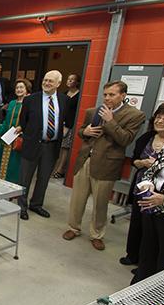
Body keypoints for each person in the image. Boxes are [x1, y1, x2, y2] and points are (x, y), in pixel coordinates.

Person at [62, 80, 146, 250]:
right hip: (85, 160)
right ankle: (73, 227)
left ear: (123, 96)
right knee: (77, 199)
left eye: (112, 95)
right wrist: (84, 132)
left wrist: (109, 121)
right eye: (105, 94)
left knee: (100, 203)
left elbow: (125, 139)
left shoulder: (135, 115)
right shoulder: (93, 111)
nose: (107, 98)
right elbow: (82, 131)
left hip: (107, 165)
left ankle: (97, 234)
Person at [121, 101, 164, 269]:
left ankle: (148, 264)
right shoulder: (146, 138)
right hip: (142, 185)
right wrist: (142, 162)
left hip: (163, 194)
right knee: (138, 221)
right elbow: (134, 160)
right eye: (158, 117)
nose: (161, 121)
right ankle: (133, 255)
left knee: (157, 230)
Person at [17, 70, 69, 220]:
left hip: (51, 147)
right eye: (45, 80)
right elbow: (23, 122)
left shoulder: (64, 100)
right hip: (32, 144)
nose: (46, 83)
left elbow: (66, 121)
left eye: (50, 81)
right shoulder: (30, 100)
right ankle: (22, 206)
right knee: (25, 178)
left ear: (58, 83)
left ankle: (36, 204)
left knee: (44, 178)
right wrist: (32, 135)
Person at [0, 79, 32, 184]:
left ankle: (12, 188)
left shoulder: (30, 103)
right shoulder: (12, 103)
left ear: (26, 89)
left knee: (15, 164)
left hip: (19, 139)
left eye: (21, 87)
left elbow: (31, 121)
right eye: (17, 87)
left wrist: (22, 128)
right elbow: (6, 121)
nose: (19, 89)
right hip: (7, 138)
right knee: (2, 163)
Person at [53, 74, 82, 178]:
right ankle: (55, 167)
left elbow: (75, 112)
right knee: (59, 146)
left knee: (65, 147)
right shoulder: (64, 94)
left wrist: (68, 126)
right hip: (61, 123)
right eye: (68, 79)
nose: (69, 81)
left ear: (77, 82)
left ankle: (60, 169)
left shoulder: (79, 95)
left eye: (72, 79)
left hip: (70, 125)